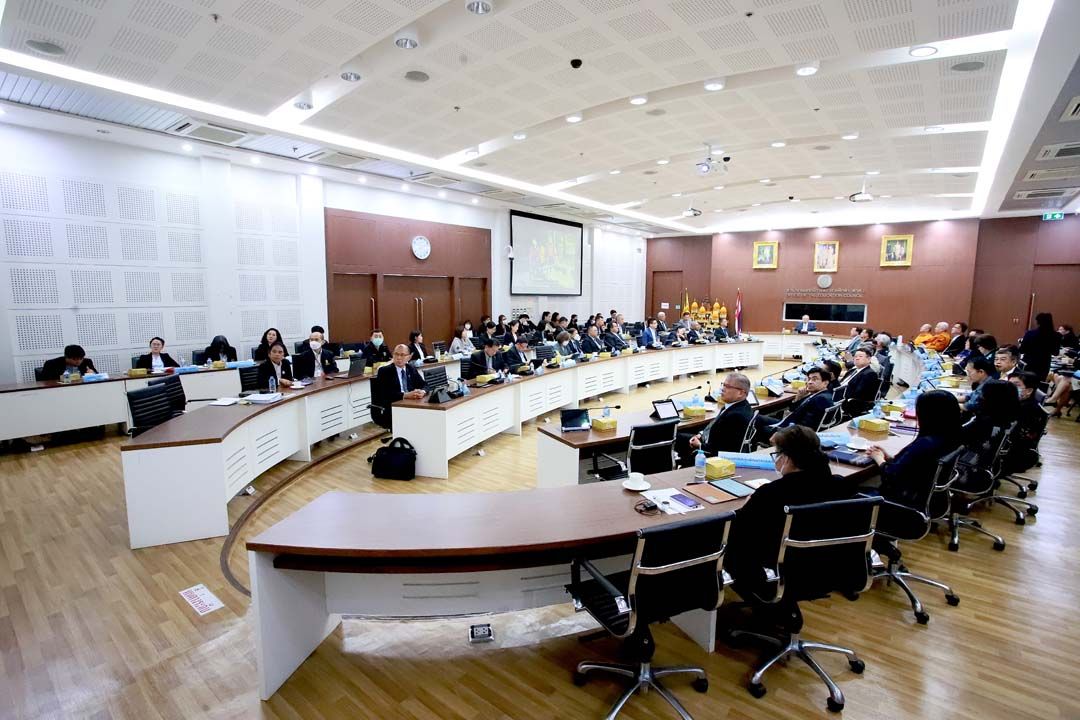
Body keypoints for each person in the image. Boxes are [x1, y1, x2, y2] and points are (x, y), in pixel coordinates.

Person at [725, 426, 853, 595]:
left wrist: (745, 507)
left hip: (778, 566)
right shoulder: (839, 484)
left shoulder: (771, 493)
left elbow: (737, 532)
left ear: (787, 458)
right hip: (827, 564)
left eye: (777, 454)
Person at [864, 390, 961, 508]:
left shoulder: (925, 444)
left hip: (902, 503)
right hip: (932, 500)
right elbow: (915, 464)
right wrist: (889, 458)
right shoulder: (952, 437)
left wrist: (879, 459)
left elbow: (891, 476)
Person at [677, 373, 755, 466]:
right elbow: (714, 427)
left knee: (675, 437)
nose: (722, 389)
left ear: (741, 393)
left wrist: (699, 445)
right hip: (708, 441)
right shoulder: (741, 406)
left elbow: (720, 450)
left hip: (714, 458)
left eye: (728, 386)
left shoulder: (735, 416)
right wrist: (701, 434)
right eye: (723, 385)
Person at [755, 367, 834, 441]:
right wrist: (799, 397)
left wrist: (781, 432)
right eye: (809, 379)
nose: (809, 382)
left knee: (754, 425)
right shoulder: (820, 394)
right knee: (756, 418)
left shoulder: (821, 399)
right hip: (790, 424)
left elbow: (806, 427)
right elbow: (794, 410)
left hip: (793, 433)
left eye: (814, 379)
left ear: (825, 383)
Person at [370, 344, 427, 429]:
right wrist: (405, 395)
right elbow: (385, 394)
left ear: (409, 357)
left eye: (402, 355)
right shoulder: (384, 371)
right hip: (392, 409)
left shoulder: (411, 369)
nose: (399, 358)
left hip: (411, 405)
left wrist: (422, 392)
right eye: (396, 354)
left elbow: (425, 385)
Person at [1007, 371, 1046, 473]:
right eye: (1009, 385)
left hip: (1013, 452)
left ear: (1029, 391)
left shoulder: (1027, 409)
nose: (1009, 388)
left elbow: (1013, 434)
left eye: (1016, 385)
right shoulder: (1018, 404)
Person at [835, 346, 879, 415]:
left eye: (860, 356)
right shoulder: (853, 370)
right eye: (855, 356)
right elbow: (842, 382)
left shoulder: (869, 374)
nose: (857, 358)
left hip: (848, 402)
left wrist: (837, 393)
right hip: (838, 393)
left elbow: (858, 394)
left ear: (869, 359)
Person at [1019, 312, 1060, 381]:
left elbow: (1022, 350)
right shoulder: (1056, 335)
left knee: (1026, 382)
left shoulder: (1030, 333)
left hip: (1029, 364)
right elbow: (1056, 353)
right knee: (1039, 383)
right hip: (1044, 365)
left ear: (1038, 322)